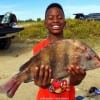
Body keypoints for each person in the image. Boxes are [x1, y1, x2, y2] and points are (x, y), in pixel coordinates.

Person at [33, 3, 86, 100]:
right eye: (51, 18)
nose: (55, 20)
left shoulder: (73, 47)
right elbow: (37, 76)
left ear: (64, 23)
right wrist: (41, 82)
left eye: (60, 17)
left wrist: (76, 80)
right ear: (45, 23)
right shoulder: (39, 48)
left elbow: (72, 80)